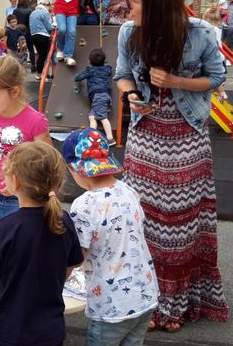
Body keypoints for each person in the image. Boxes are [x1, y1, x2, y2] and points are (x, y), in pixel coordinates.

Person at [114, 0, 229, 332]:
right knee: (142, 221)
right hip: (145, 135)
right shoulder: (129, 31)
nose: (127, 8)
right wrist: (132, 94)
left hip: (187, 133)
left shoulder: (200, 33)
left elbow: (217, 77)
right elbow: (121, 74)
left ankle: (174, 304)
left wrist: (177, 81)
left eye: (133, 2)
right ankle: (145, 299)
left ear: (158, 6)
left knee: (178, 225)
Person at [0, 142, 84, 346]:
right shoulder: (64, 220)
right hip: (50, 330)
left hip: (9, 330)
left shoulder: (4, 228)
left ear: (15, 181)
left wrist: (13, 295)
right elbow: (72, 263)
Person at [64, 128, 158, 346]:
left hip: (111, 304)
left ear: (72, 168)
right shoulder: (128, 190)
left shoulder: (84, 204)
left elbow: (77, 255)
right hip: (144, 294)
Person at [0, 55, 51, 224]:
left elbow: (46, 162)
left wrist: (23, 185)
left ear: (14, 91)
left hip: (23, 194)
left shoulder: (35, 121)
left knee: (20, 239)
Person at [74, 49, 115, 143]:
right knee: (92, 117)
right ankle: (92, 136)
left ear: (89, 61)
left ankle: (110, 138)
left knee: (102, 117)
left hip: (98, 96)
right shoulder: (106, 68)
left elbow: (78, 78)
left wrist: (77, 75)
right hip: (103, 96)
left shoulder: (90, 70)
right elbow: (109, 67)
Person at [54, 0, 82, 67]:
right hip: (60, 9)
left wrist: (73, 6)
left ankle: (68, 55)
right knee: (62, 29)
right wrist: (58, 2)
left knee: (72, 31)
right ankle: (60, 49)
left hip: (72, 11)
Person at [29, 0, 55, 80]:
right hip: (43, 35)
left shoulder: (33, 12)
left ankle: (39, 73)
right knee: (43, 56)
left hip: (33, 35)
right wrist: (55, 26)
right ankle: (40, 74)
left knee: (40, 56)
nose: (50, 7)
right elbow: (49, 27)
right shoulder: (45, 12)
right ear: (46, 5)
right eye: (49, 5)